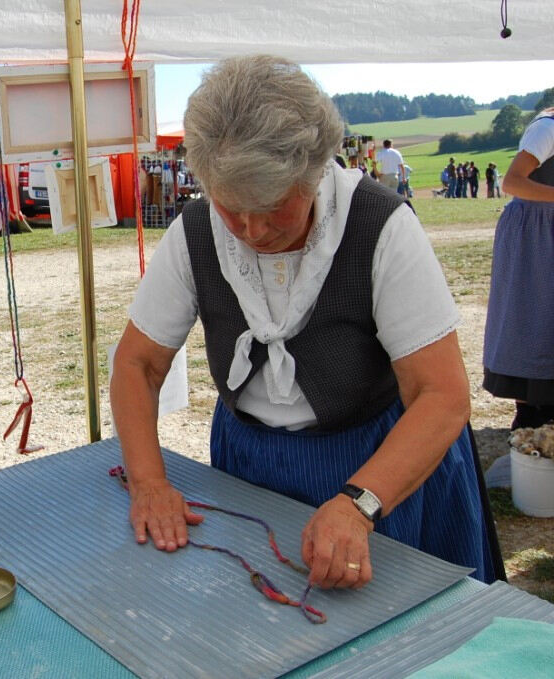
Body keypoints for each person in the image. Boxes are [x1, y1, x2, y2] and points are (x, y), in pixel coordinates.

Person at [110, 55, 499, 594]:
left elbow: (442, 396)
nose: (252, 229)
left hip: (378, 460)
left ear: (313, 173)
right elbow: (138, 363)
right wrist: (149, 481)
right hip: (248, 458)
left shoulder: (379, 225)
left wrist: (360, 503)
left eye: (272, 207)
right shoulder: (195, 232)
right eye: (231, 207)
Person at [482, 107, 554, 429]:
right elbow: (512, 182)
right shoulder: (547, 129)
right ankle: (530, 410)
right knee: (533, 317)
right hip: (535, 232)